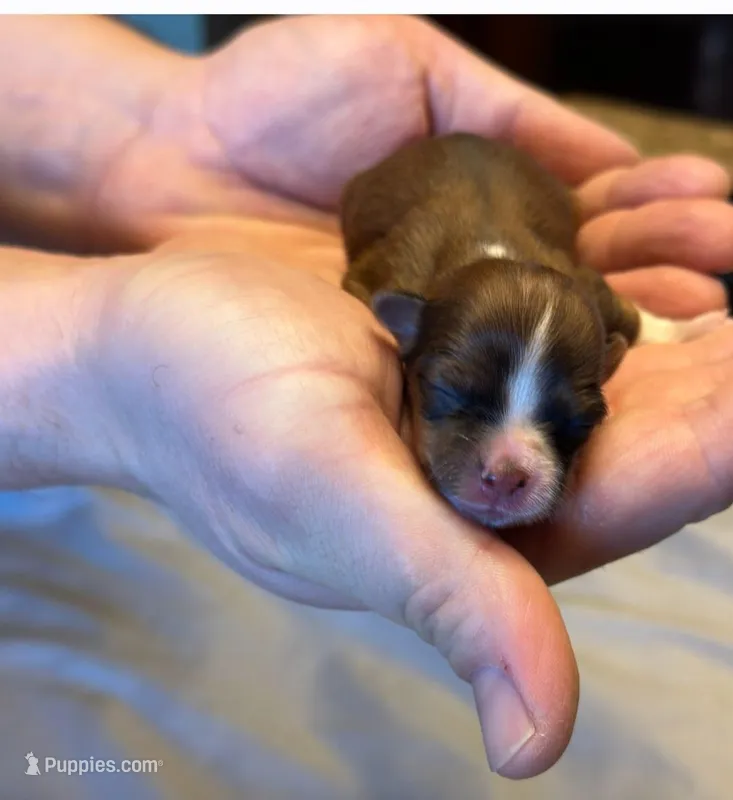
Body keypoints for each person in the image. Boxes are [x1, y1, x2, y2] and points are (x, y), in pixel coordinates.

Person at [0, 13, 732, 797]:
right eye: (455, 394)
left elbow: (616, 315)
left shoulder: (584, 299)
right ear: (402, 328)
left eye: (566, 421)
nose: (506, 466)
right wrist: (91, 352)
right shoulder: (398, 275)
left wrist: (663, 326)